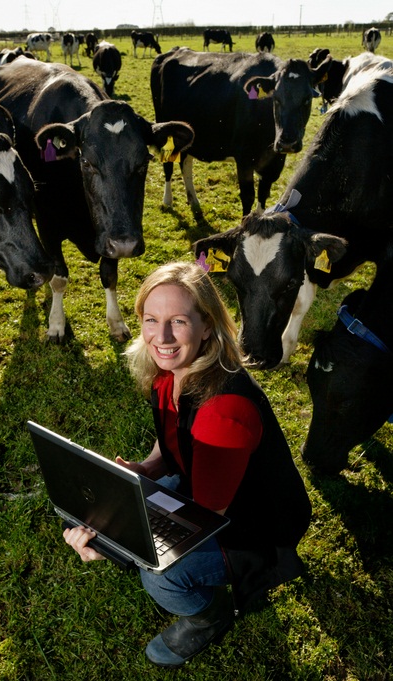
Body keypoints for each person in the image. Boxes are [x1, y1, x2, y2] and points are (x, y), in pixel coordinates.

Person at [63, 261, 312, 668]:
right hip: (208, 493)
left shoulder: (223, 410)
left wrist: (119, 545)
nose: (160, 337)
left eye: (177, 321)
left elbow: (207, 517)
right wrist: (146, 471)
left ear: (208, 326)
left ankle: (209, 615)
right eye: (150, 319)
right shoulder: (170, 372)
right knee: (115, 509)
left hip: (254, 526)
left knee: (160, 574)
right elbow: (172, 441)